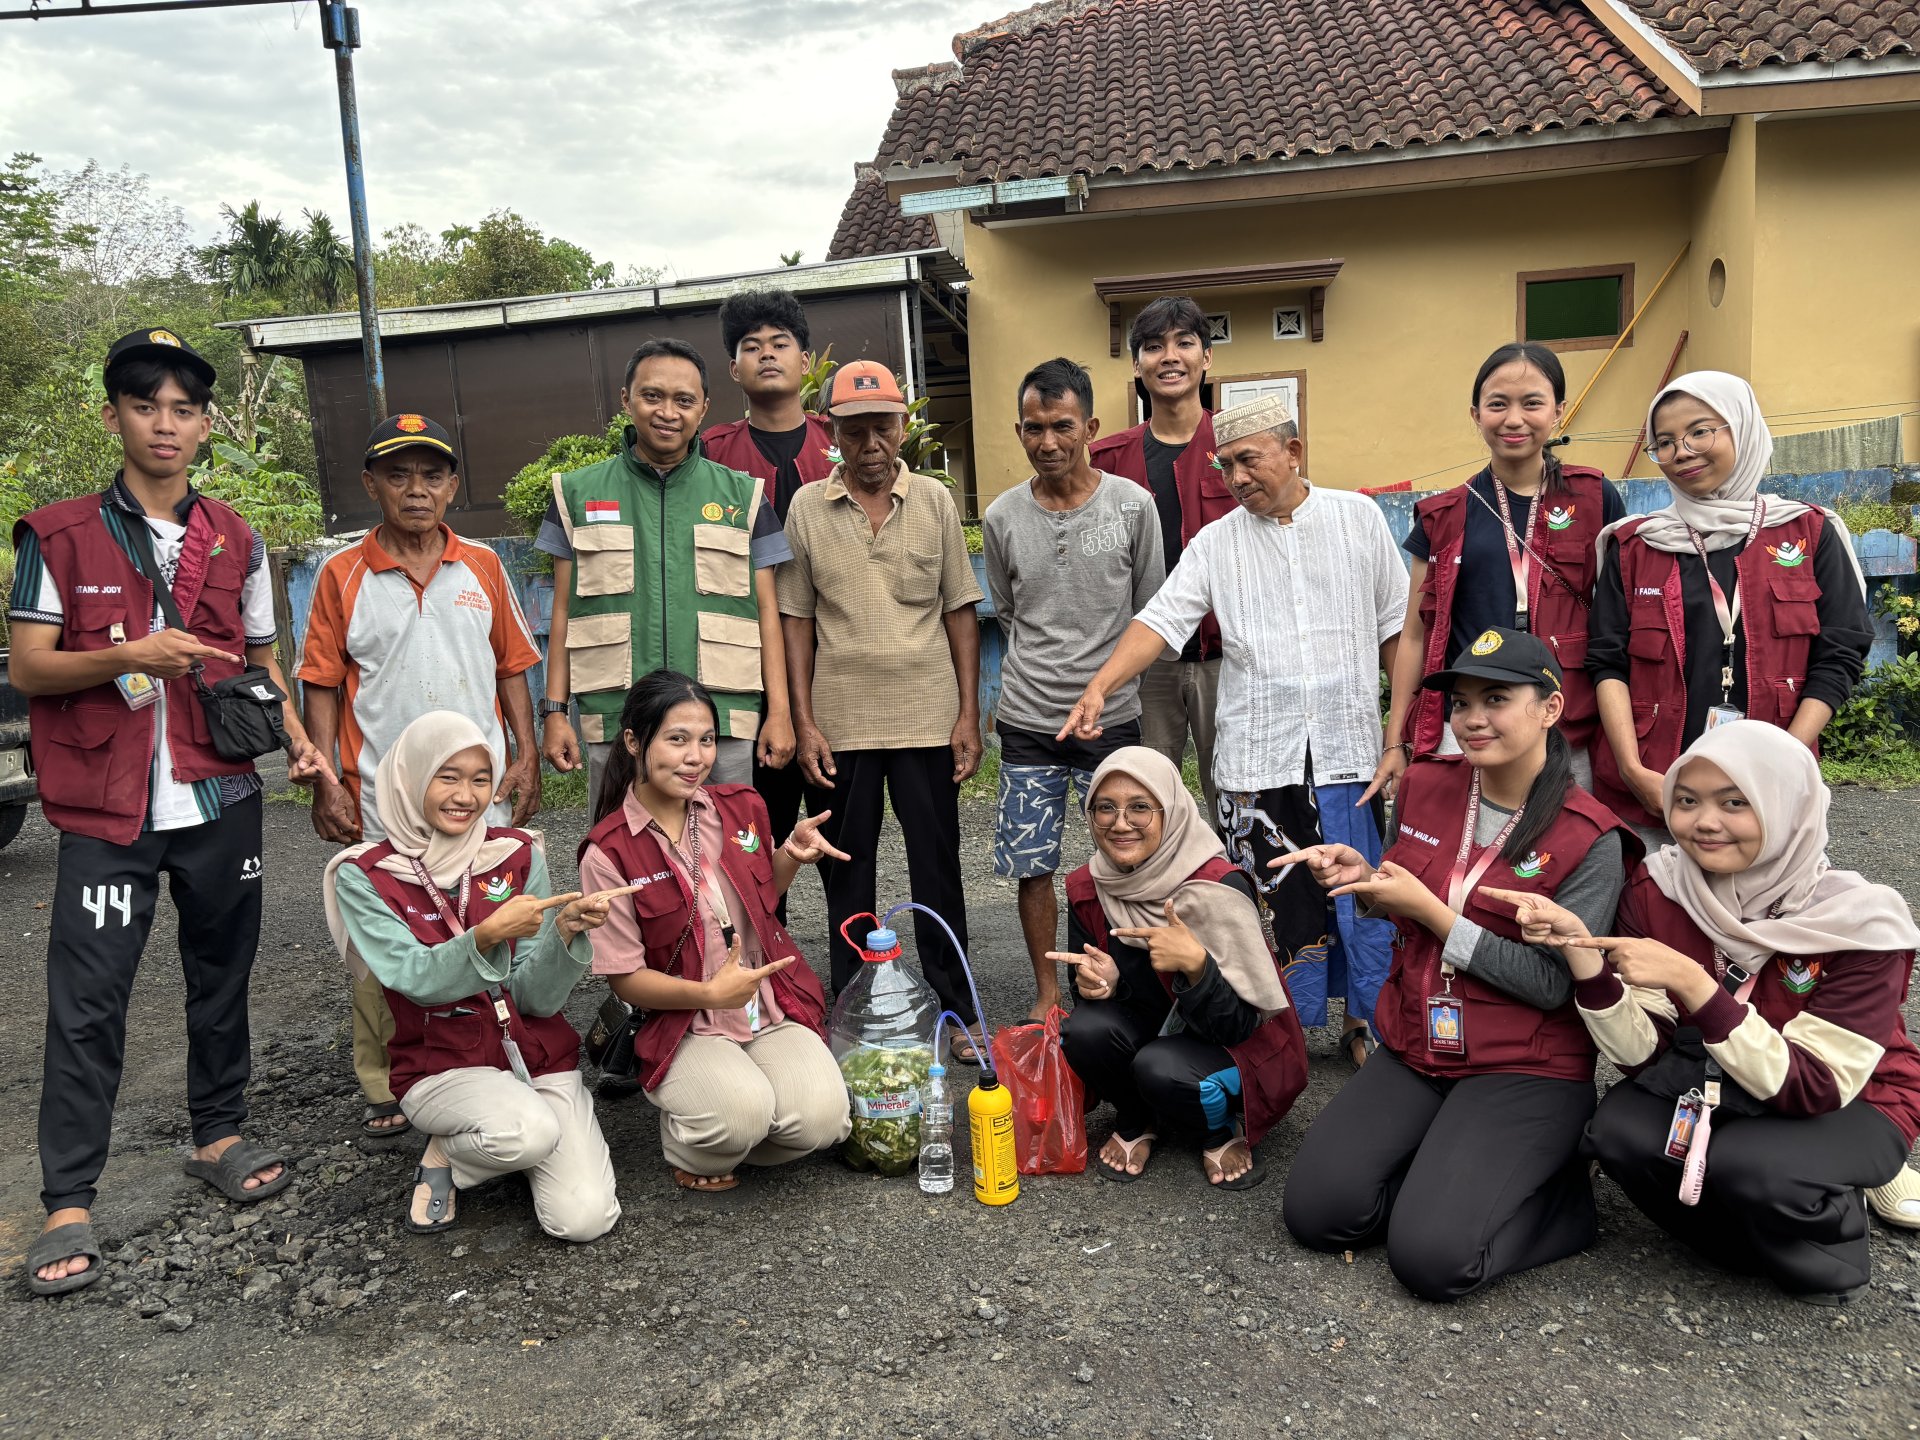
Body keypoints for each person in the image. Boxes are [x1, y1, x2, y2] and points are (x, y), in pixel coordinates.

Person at [13, 328, 334, 1296]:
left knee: (221, 974)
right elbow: (29, 666)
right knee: (88, 1001)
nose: (165, 422)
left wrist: (299, 740)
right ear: (114, 416)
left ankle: (218, 1134)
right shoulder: (58, 535)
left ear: (203, 427)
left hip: (221, 793)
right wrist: (128, 656)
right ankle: (68, 1198)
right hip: (105, 805)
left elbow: (261, 661)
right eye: (145, 404)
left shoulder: (236, 535)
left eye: (183, 409)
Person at [1278, 628, 1636, 1302]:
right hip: (1419, 1045)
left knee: (1433, 1261)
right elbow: (1403, 898)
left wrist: (1436, 913)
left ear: (1551, 708)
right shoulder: (1425, 785)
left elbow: (1552, 984)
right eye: (1462, 702)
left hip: (1524, 1066)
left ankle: (1563, 1199)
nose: (1472, 719)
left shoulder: (1589, 838)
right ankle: (1451, 1170)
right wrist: (1367, 880)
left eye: (1496, 699)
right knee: (1320, 1216)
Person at [1505, 722, 1919, 1301]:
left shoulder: (1861, 923)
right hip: (1713, 1077)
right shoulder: (1659, 888)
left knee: (1756, 1167)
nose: (1704, 822)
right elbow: (1644, 1057)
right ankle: (1752, 1239)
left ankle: (1834, 1242)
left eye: (1735, 803)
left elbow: (1816, 1086)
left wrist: (1693, 984)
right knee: (1619, 1132)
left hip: (1852, 1097)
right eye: (1687, 800)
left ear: (1787, 807)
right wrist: (1583, 958)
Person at [1061, 393, 1404, 1068]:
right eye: (1226, 467)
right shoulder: (1216, 542)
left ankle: (1367, 1022)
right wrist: (1101, 684)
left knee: (1359, 894)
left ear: (1294, 452)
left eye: (1249, 461)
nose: (1237, 479)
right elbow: (1160, 621)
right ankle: (1275, 1025)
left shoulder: (1357, 520)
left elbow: (1397, 627)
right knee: (1270, 901)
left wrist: (1404, 733)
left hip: (1347, 748)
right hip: (1259, 754)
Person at [299, 411, 544, 1139]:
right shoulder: (342, 574)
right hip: (384, 796)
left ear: (452, 486)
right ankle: (387, 1077)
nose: (415, 490)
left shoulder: (484, 567)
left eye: (431, 475)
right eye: (398, 474)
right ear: (372, 484)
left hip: (475, 792)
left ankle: (495, 1054)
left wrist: (524, 754)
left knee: (486, 919)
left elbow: (512, 667)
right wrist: (327, 779)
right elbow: (320, 681)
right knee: (389, 941)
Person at [321, 713, 624, 1241]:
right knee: (527, 1132)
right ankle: (449, 1151)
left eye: (481, 779)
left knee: (585, 1220)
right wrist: (483, 937)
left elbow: (536, 999)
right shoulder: (364, 874)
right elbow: (412, 976)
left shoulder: (516, 853)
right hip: (442, 1062)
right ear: (410, 777)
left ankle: (498, 1146)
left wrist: (565, 935)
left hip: (532, 1051)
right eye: (448, 776)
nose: (466, 794)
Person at [780, 361, 986, 1056]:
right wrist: (804, 722)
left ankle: (957, 1013)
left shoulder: (932, 501)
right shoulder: (808, 507)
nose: (871, 442)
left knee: (938, 868)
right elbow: (797, 622)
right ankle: (856, 1016)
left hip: (928, 715)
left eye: (883, 427)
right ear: (832, 433)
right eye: (855, 429)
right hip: (840, 724)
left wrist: (968, 715)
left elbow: (961, 611)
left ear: (903, 429)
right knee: (847, 874)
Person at [579, 671, 851, 1191]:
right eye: (676, 739)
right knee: (739, 1118)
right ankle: (694, 1144)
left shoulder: (742, 806)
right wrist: (709, 992)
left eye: (706, 740)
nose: (696, 757)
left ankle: (732, 1122)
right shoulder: (608, 850)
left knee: (826, 1121)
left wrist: (789, 855)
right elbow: (624, 979)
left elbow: (762, 900)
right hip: (687, 1018)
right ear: (635, 741)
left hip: (764, 1004)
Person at [1589, 370, 1871, 836]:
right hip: (1656, 783)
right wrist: (1632, 770)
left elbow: (1840, 653)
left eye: (1700, 431)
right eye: (1664, 441)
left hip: (1772, 783)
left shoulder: (1808, 532)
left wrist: (1782, 762)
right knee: (1652, 905)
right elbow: (1607, 662)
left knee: (1768, 904)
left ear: (1742, 428)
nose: (1682, 452)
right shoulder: (1635, 545)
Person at [537, 338, 795, 807]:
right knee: (620, 859)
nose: (667, 413)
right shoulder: (574, 494)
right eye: (652, 396)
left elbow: (766, 614)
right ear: (626, 400)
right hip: (618, 720)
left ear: (704, 409)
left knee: (727, 860)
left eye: (684, 400)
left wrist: (779, 712)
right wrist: (554, 712)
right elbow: (562, 612)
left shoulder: (745, 499)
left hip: (722, 724)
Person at [985, 357, 1165, 1021]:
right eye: (1034, 428)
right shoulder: (1004, 516)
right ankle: (1049, 991)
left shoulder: (1131, 507)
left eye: (1062, 425)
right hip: (1029, 720)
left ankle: (1116, 986)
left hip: (1112, 719)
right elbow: (1008, 612)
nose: (1048, 441)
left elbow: (1152, 614)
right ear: (1020, 431)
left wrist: (1102, 686)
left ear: (1090, 425)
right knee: (1033, 865)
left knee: (1122, 861)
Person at [1051, 747, 1307, 1187]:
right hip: (1160, 1034)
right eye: (1105, 808)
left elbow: (1243, 1026)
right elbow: (1092, 1005)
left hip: (1238, 1047)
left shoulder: (1216, 887)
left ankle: (1219, 1129)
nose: (1120, 823)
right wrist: (1104, 985)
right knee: (1083, 1030)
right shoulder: (1088, 885)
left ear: (1171, 811)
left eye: (1139, 808)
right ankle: (1139, 1117)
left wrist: (1197, 966)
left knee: (1160, 1064)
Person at [1384, 342, 1625, 791]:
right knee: (1474, 848)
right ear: (1476, 414)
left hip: (1566, 724)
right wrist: (1396, 741)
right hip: (1475, 726)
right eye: (1498, 404)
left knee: (1565, 848)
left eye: (1532, 402)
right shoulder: (1443, 516)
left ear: (1558, 411)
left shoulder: (1595, 499)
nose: (1514, 419)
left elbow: (1616, 623)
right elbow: (1416, 634)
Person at [701, 289, 836, 893]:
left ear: (806, 360)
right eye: (751, 347)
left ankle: (854, 959)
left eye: (781, 343)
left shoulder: (843, 443)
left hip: (836, 662)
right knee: (754, 830)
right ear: (734, 369)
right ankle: (759, 964)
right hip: (746, 671)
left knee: (841, 830)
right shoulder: (709, 455)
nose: (767, 355)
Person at [1087, 297, 1231, 820]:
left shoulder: (1238, 447)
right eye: (1153, 346)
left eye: (1185, 343)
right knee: (1145, 796)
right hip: (1147, 665)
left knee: (1236, 791)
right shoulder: (1108, 460)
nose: (1170, 357)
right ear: (1136, 364)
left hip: (1227, 655)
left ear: (1206, 358)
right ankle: (1155, 901)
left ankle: (1237, 896)